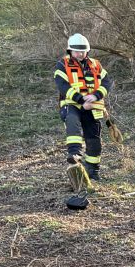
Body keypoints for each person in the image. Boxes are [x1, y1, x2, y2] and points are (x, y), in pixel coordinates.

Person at [55, 34, 113, 180]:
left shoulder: (96, 64)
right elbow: (63, 86)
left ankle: (93, 171)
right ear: (70, 51)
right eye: (76, 51)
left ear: (87, 51)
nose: (80, 54)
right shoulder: (62, 64)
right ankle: (74, 153)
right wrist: (81, 100)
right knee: (72, 121)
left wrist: (96, 96)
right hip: (72, 104)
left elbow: (107, 82)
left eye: (83, 51)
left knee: (94, 138)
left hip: (92, 106)